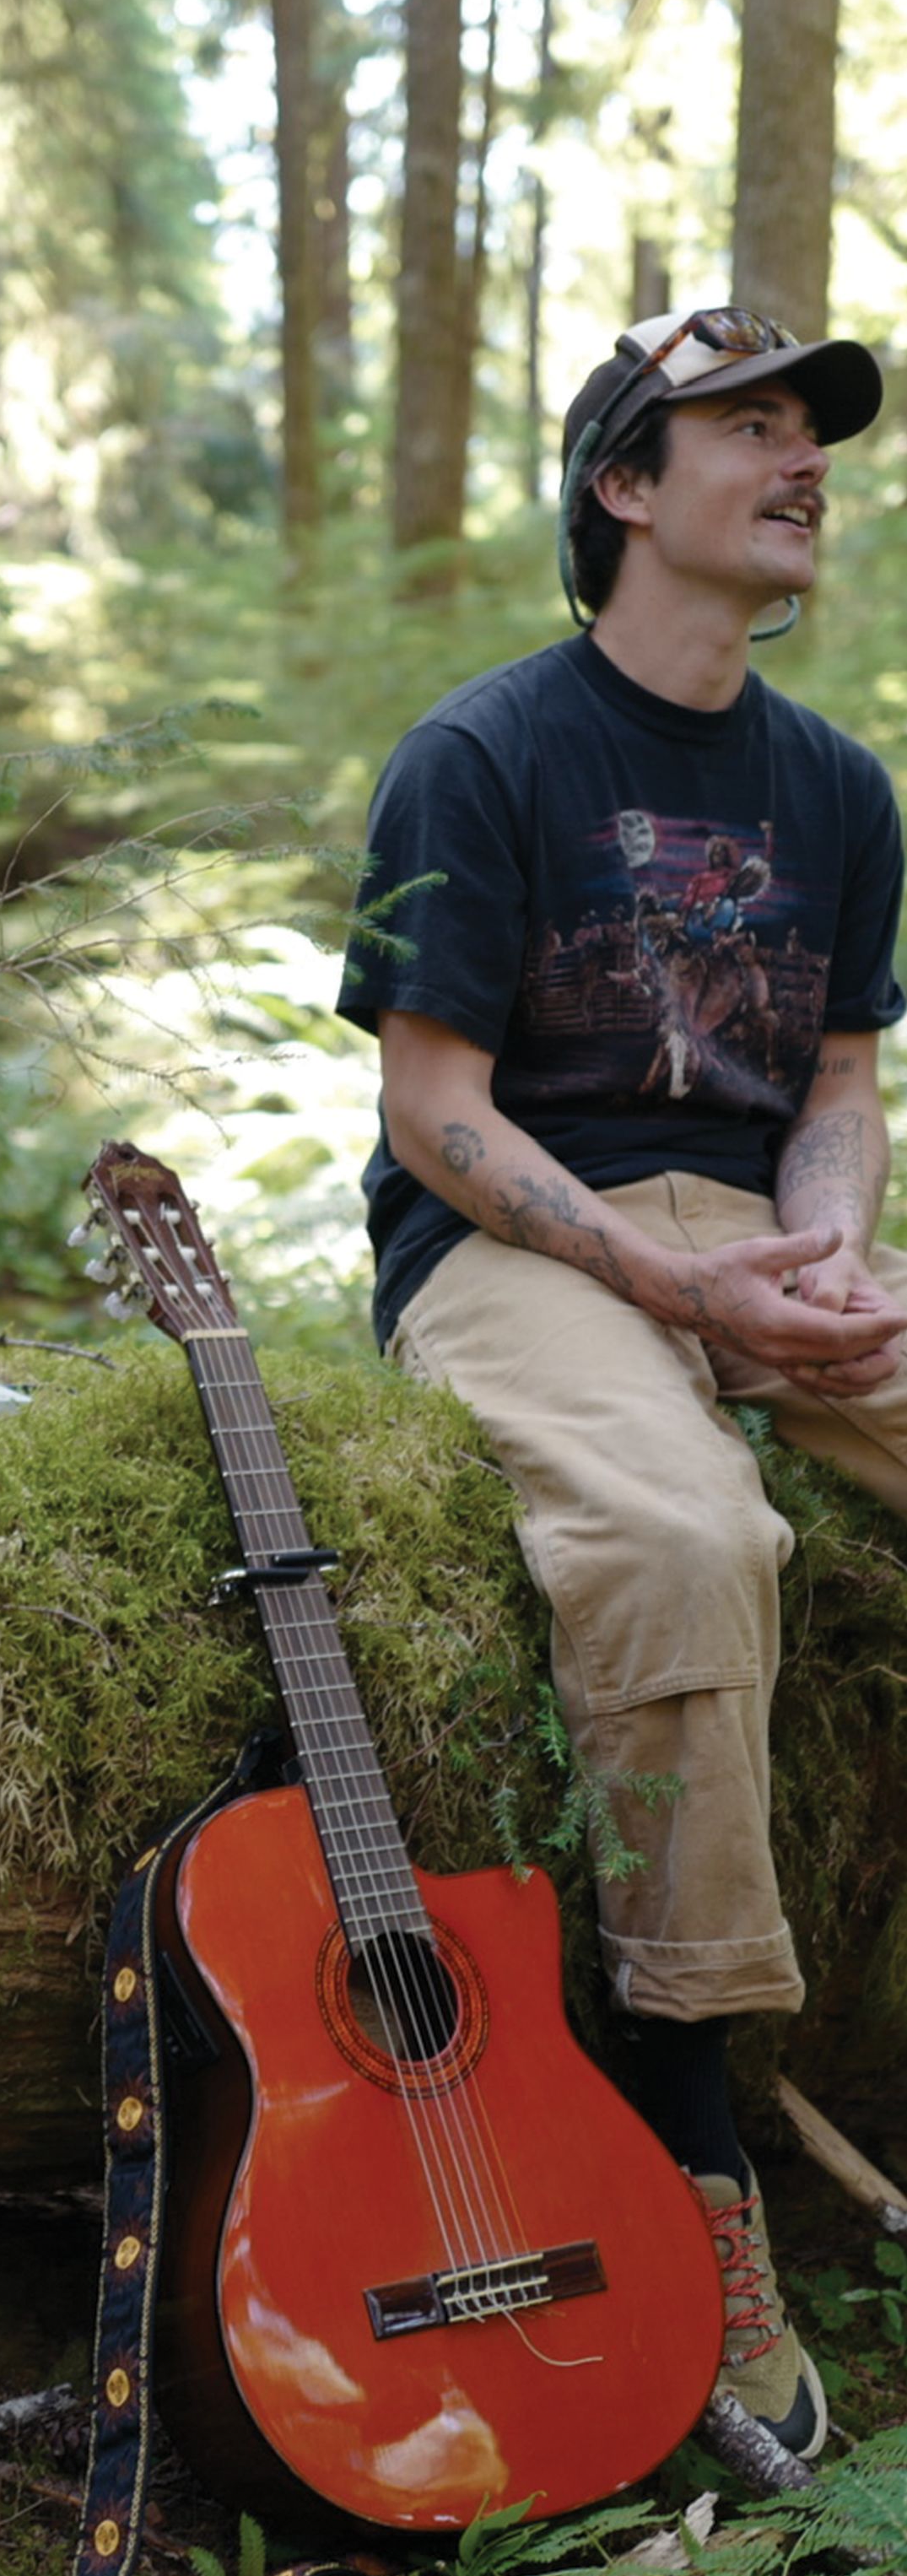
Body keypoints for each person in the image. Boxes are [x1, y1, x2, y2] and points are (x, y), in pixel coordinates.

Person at [337, 305, 907, 2462]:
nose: (798, 461)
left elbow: (838, 1084)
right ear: (621, 489)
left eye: (808, 432)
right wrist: (663, 1292)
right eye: (743, 429)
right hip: (514, 1242)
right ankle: (694, 2160)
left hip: (757, 1229)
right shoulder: (480, 754)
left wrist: (825, 1242)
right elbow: (434, 1113)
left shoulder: (834, 781)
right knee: (681, 1537)